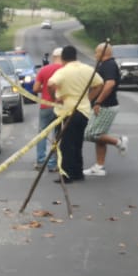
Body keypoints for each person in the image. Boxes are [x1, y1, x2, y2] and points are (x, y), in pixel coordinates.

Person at [47, 44, 100, 184]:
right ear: (76, 56)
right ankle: (78, 172)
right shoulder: (87, 69)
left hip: (66, 112)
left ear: (63, 59)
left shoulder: (63, 71)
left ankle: (66, 174)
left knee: (65, 145)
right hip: (83, 111)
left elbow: (50, 84)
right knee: (77, 142)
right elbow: (100, 83)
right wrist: (89, 98)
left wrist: (55, 99)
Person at [82, 41, 129, 177]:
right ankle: (99, 166)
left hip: (106, 105)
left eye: (96, 52)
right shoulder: (106, 64)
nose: (95, 54)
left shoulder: (109, 65)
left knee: (91, 134)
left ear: (103, 53)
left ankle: (119, 142)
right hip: (104, 105)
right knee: (99, 136)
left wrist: (98, 102)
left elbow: (109, 84)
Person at [34, 47, 64, 171]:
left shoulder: (44, 70)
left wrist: (45, 89)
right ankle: (53, 163)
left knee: (42, 134)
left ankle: (40, 161)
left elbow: (35, 89)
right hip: (60, 107)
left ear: (53, 57)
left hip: (45, 106)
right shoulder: (65, 70)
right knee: (57, 134)